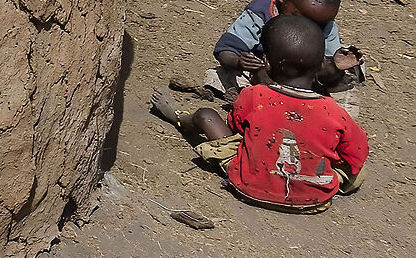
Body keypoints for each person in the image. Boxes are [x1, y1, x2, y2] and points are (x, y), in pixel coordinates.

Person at [151, 13, 369, 212]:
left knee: (206, 116)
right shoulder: (334, 111)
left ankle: (179, 116)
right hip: (312, 201)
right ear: (321, 64)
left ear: (266, 63)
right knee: (358, 172)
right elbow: (358, 152)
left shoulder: (254, 96)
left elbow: (235, 128)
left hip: (248, 187)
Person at [200, 0, 361, 103]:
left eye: (319, 24)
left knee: (346, 81)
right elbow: (226, 49)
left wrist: (335, 66)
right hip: (265, 75)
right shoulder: (259, 15)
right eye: (299, 18)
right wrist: (239, 62)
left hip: (306, 80)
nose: (309, 27)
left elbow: (326, 66)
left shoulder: (326, 24)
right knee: (223, 76)